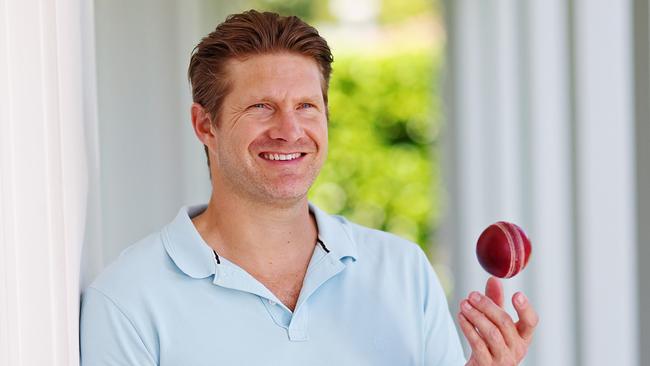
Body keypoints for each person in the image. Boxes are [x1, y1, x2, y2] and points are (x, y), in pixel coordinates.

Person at [80, 10, 538, 365]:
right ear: (206, 125)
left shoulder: (403, 273)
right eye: (261, 106)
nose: (289, 130)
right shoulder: (128, 299)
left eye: (305, 105)